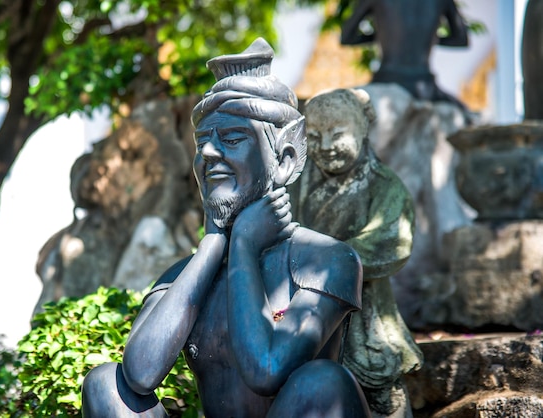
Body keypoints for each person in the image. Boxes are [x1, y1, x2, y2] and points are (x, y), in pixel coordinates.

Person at [81, 38, 371, 418]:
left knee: (323, 382)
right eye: (202, 143)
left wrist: (246, 249)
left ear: (283, 160)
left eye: (233, 139)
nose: (208, 154)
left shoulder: (328, 260)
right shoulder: (188, 275)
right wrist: (213, 244)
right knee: (106, 384)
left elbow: (266, 371)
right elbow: (140, 374)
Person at [295, 88, 423, 417]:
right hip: (305, 309)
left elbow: (391, 241)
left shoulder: (383, 185)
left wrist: (323, 258)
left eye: (337, 135)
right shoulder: (296, 182)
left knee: (381, 397)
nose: (325, 147)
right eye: (313, 136)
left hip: (365, 318)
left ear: (362, 130)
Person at [340, 0, 469, 106]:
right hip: (425, 84)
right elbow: (461, 39)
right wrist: (427, 38)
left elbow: (347, 38)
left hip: (387, 78)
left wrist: (382, 36)